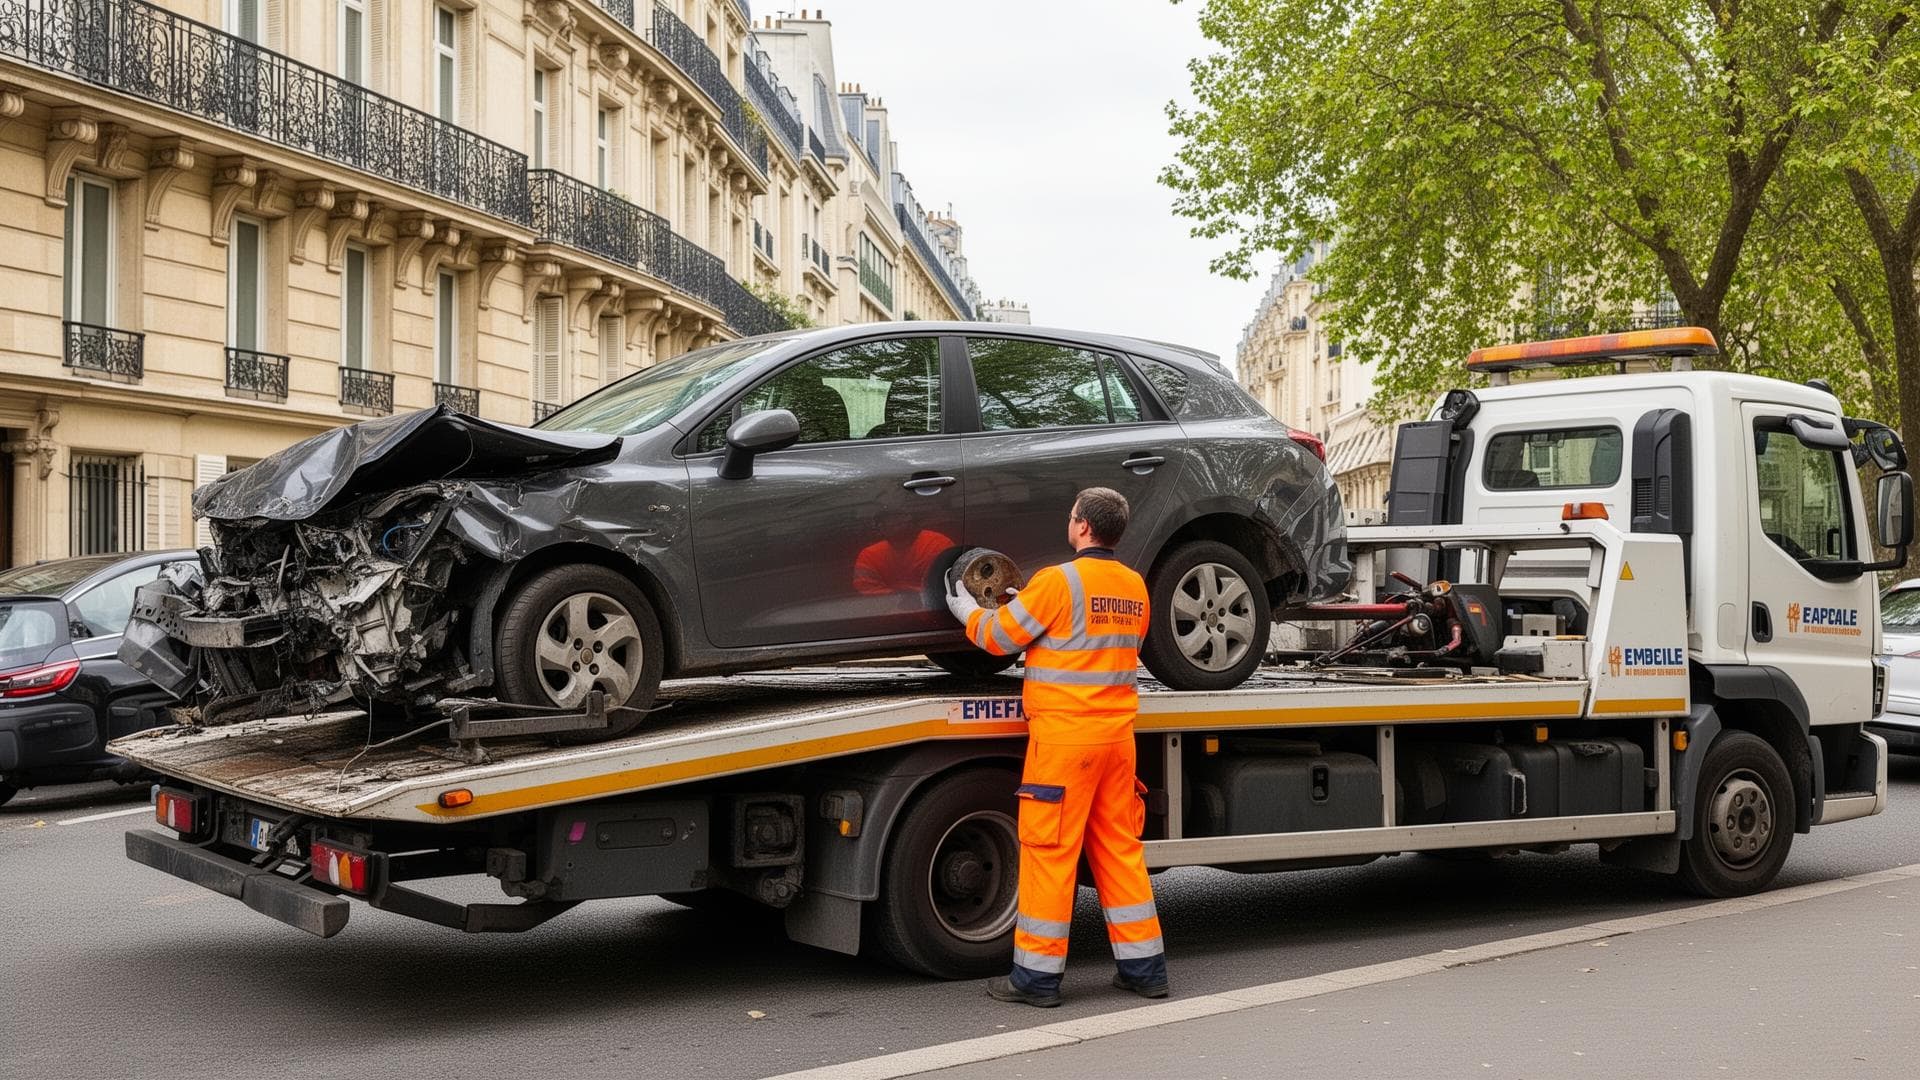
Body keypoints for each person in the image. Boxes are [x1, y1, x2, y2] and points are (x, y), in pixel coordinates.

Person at [945, 487, 1169, 1007]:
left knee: (1050, 854)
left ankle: (1036, 979)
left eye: (1072, 517)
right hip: (1116, 740)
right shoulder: (1134, 586)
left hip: (1065, 741)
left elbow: (1000, 637)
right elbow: (1106, 644)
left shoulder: (1057, 580)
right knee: (1119, 852)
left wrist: (966, 612)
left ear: (1084, 527)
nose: (1069, 523)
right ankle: (1145, 972)